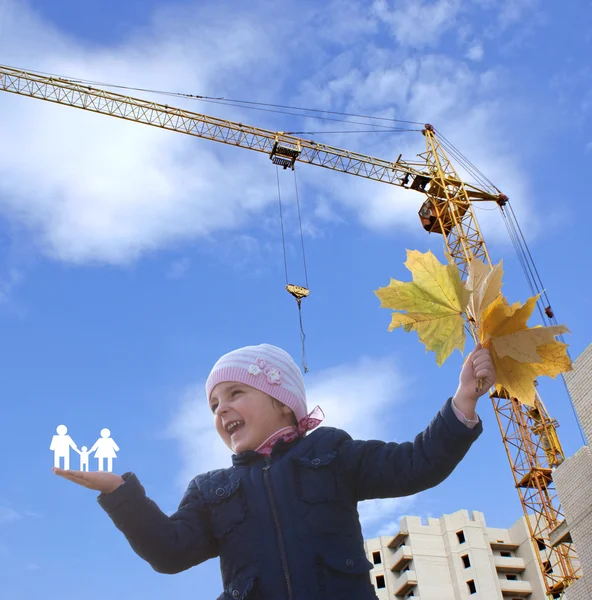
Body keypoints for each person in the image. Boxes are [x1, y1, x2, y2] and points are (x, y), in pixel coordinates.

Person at [53, 342, 495, 599]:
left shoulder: (332, 450)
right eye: (213, 405)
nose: (222, 408)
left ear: (283, 403)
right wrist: (120, 494)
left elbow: (414, 464)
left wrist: (462, 404)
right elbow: (169, 552)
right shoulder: (210, 490)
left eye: (235, 392)